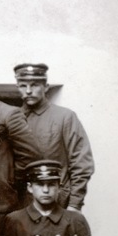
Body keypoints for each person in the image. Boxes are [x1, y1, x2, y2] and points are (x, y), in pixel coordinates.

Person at [6, 62, 93, 210]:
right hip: (21, 205)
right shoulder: (11, 117)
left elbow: (81, 162)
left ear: (46, 87)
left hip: (57, 202)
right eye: (22, 85)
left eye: (34, 85)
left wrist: (74, 204)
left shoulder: (65, 117)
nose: (28, 91)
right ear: (17, 88)